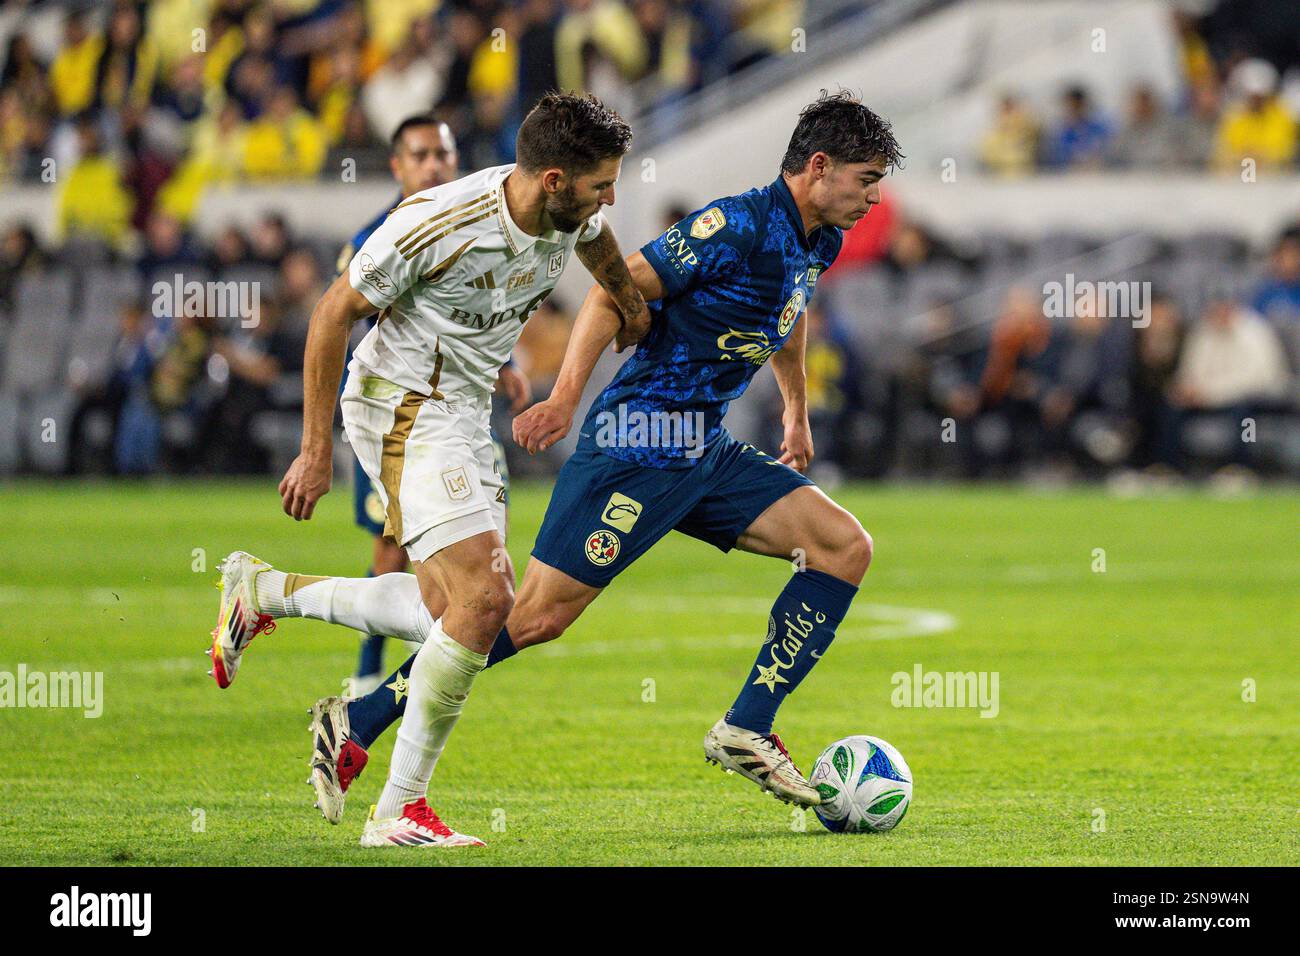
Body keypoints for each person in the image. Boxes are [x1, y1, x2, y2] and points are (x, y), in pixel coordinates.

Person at [304, 90, 898, 815]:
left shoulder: (817, 240)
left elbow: (789, 309)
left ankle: (747, 726)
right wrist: (564, 396)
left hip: (701, 444)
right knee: (526, 618)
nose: (874, 197)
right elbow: (612, 296)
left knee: (844, 547)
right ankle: (357, 720)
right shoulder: (735, 225)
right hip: (639, 441)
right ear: (819, 166)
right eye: (867, 180)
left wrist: (797, 410)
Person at [206, 92, 650, 848]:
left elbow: (601, 251)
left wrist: (633, 308)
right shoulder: (438, 222)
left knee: (462, 614)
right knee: (486, 600)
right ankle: (397, 809)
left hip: (465, 414)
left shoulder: (572, 216)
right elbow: (329, 314)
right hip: (401, 408)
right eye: (600, 183)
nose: (609, 197)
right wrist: (316, 452)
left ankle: (266, 592)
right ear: (551, 179)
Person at [333, 114, 530, 698]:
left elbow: (485, 308)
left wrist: (509, 365)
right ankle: (373, 672)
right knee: (392, 547)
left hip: (460, 409)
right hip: (399, 414)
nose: (434, 166)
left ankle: (422, 668)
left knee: (478, 552)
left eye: (442, 154)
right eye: (420, 156)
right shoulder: (381, 234)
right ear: (397, 166)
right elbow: (347, 321)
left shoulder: (475, 223)